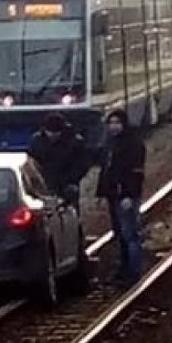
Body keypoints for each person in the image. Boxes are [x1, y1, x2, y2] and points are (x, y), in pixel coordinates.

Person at [96, 109, 146, 287]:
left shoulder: (133, 144)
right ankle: (123, 269)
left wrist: (128, 194)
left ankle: (133, 271)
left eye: (117, 123)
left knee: (129, 233)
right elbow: (106, 170)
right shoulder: (110, 144)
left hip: (125, 195)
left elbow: (135, 173)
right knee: (120, 234)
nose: (114, 127)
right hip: (113, 194)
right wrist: (102, 192)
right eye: (111, 123)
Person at [27, 112, 91, 210]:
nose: (52, 135)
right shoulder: (37, 141)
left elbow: (82, 164)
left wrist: (71, 179)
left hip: (68, 183)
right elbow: (32, 162)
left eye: (56, 133)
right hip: (44, 183)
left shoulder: (74, 142)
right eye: (50, 132)